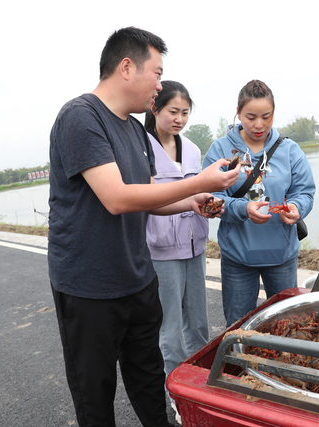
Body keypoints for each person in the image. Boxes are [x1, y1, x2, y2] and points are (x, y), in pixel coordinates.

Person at [48, 27, 239, 427]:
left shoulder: (135, 128)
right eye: (157, 72)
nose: (160, 84)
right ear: (127, 67)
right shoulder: (80, 117)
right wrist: (201, 181)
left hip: (137, 278)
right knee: (95, 393)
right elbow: (117, 197)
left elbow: (150, 192)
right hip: (89, 287)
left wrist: (192, 201)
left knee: (150, 382)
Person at [202, 80, 316, 327]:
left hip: (282, 256)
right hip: (238, 258)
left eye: (266, 116)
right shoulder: (221, 149)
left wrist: (296, 208)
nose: (259, 124)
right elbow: (209, 199)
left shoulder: (289, 150)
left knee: (288, 325)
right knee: (239, 327)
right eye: (250, 116)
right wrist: (242, 209)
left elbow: (305, 192)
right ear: (238, 112)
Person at [144, 81, 209, 398]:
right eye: (173, 111)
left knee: (199, 325)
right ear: (154, 108)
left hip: (195, 245)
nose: (180, 118)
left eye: (185, 112)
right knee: (170, 331)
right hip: (162, 250)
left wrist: (210, 201)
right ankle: (176, 395)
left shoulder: (194, 149)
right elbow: (147, 199)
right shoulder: (141, 147)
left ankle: (203, 388)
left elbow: (197, 192)